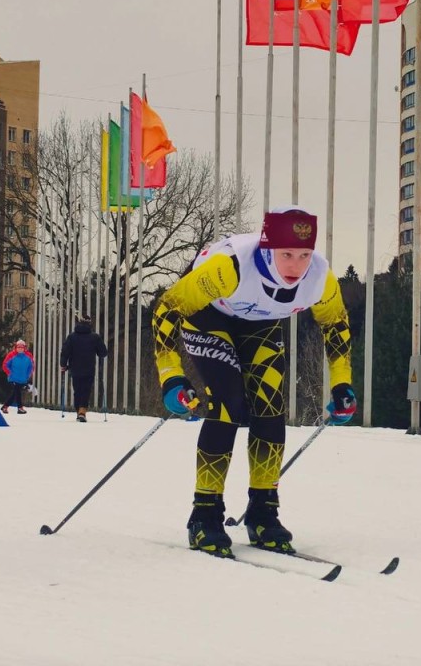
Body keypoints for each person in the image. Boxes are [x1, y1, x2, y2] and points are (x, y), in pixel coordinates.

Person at [151, 206, 357, 559]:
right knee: (228, 405)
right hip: (208, 316)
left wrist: (341, 384)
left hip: (258, 323)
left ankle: (263, 512)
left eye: (304, 255)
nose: (296, 265)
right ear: (267, 250)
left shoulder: (320, 278)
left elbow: (335, 325)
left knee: (269, 405)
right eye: (286, 254)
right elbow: (168, 309)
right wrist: (171, 377)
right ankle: (205, 514)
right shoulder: (229, 268)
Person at [60, 316, 108, 422]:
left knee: (77, 390)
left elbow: (65, 352)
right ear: (90, 324)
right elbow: (103, 353)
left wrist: (63, 364)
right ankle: (82, 411)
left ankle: (79, 411)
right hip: (89, 368)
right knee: (86, 390)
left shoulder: (71, 337)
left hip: (75, 368)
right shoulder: (95, 337)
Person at [1, 339, 34, 415]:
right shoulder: (11, 355)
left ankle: (5, 406)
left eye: (22, 347)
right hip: (13, 378)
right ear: (16, 347)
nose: (20, 349)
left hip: (23, 379)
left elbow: (31, 366)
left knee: (14, 394)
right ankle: (20, 408)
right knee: (17, 392)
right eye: (18, 347)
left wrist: (28, 375)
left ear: (24, 348)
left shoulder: (28, 355)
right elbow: (5, 365)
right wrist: (10, 373)